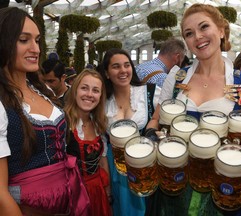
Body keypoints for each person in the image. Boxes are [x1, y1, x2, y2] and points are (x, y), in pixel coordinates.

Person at [145, 3, 241, 216]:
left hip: (226, 189)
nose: (198, 36)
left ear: (221, 30)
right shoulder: (176, 77)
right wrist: (151, 137)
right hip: (176, 187)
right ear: (185, 41)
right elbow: (155, 121)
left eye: (204, 27)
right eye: (189, 33)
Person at [0, 7, 90, 215]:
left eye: (37, 40)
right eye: (24, 40)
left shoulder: (42, 89)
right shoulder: (2, 103)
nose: (36, 49)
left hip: (68, 201)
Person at [98, 48, 160, 216]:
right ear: (107, 73)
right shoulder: (102, 102)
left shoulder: (149, 93)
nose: (123, 70)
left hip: (145, 162)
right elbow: (101, 141)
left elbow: (164, 122)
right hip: (116, 165)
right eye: (116, 66)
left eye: (127, 65)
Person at [64, 68, 112, 216]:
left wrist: (108, 191)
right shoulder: (63, 122)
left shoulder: (99, 123)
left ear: (100, 96)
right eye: (84, 88)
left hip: (97, 190)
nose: (89, 94)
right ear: (75, 91)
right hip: (73, 193)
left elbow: (102, 160)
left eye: (96, 90)